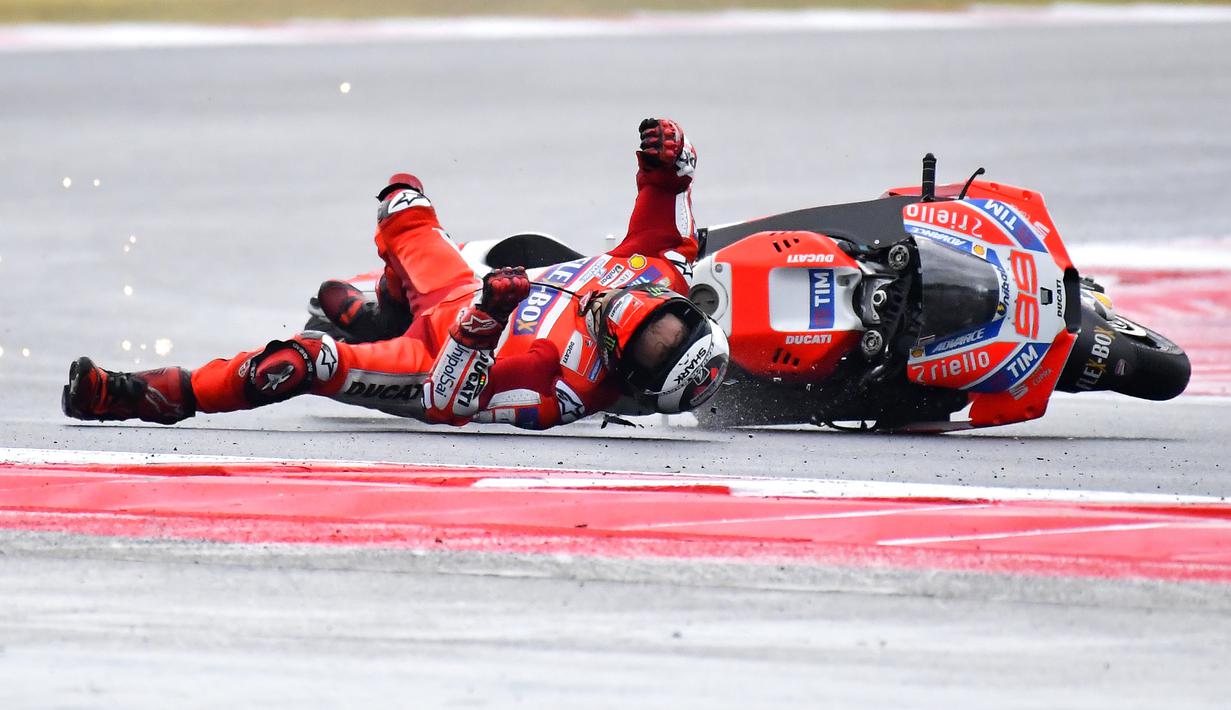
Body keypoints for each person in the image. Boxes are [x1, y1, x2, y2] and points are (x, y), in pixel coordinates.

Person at [62, 118, 729, 430]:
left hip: (429, 357)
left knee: (300, 363)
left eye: (651, 347)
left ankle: (143, 396)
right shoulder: (659, 278)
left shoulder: (560, 389)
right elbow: (661, 215)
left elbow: (450, 403)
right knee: (402, 202)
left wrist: (482, 324)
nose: (647, 321)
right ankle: (384, 304)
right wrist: (665, 163)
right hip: (458, 291)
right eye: (672, 324)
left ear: (632, 376)